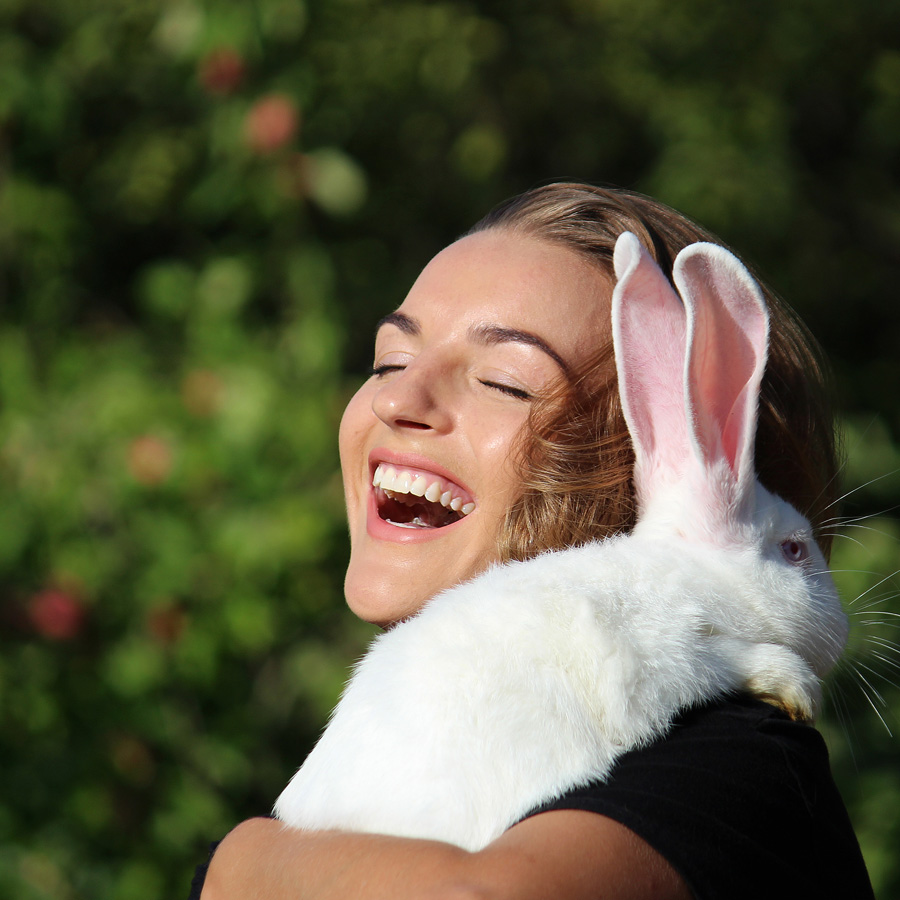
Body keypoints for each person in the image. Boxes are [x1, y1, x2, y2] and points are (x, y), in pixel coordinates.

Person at [193, 183, 874, 899]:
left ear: (646, 466)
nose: (396, 399)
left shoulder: (736, 765)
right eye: (389, 362)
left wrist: (237, 863)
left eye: (503, 382)